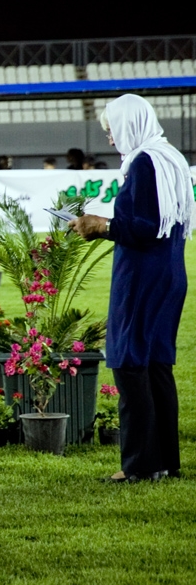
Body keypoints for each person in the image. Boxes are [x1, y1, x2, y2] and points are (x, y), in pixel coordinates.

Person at [70, 93, 191, 483]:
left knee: (129, 363)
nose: (110, 138)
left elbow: (143, 227)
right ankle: (164, 462)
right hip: (168, 273)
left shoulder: (143, 162)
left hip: (141, 276)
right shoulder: (168, 157)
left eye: (111, 129)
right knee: (155, 366)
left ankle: (139, 465)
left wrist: (100, 225)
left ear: (129, 124)